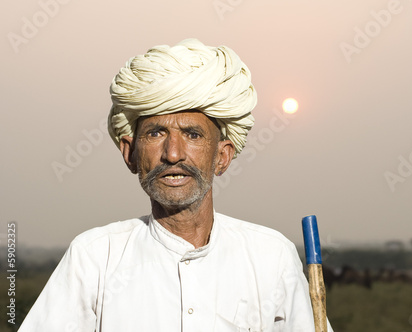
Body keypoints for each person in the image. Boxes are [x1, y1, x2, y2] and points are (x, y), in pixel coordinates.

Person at [19, 38, 334, 331]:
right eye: (156, 133)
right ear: (130, 154)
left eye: (192, 134)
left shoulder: (271, 256)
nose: (172, 154)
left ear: (222, 157)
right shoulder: (94, 258)